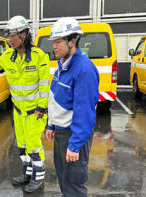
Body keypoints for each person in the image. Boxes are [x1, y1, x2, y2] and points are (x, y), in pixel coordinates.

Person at [0, 15, 50, 193]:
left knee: (34, 145)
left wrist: (42, 107)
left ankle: (38, 178)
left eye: (13, 35)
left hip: (36, 111)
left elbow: (44, 86)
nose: (9, 39)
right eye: (9, 35)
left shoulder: (39, 57)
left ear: (24, 35)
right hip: (19, 112)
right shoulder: (7, 57)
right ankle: (27, 174)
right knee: (22, 145)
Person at [45, 17, 99, 197]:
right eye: (54, 42)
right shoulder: (61, 66)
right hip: (61, 133)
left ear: (72, 41)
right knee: (64, 180)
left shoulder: (84, 69)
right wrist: (51, 124)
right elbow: (54, 98)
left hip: (73, 135)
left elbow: (85, 113)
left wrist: (75, 145)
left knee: (74, 186)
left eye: (58, 42)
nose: (54, 46)